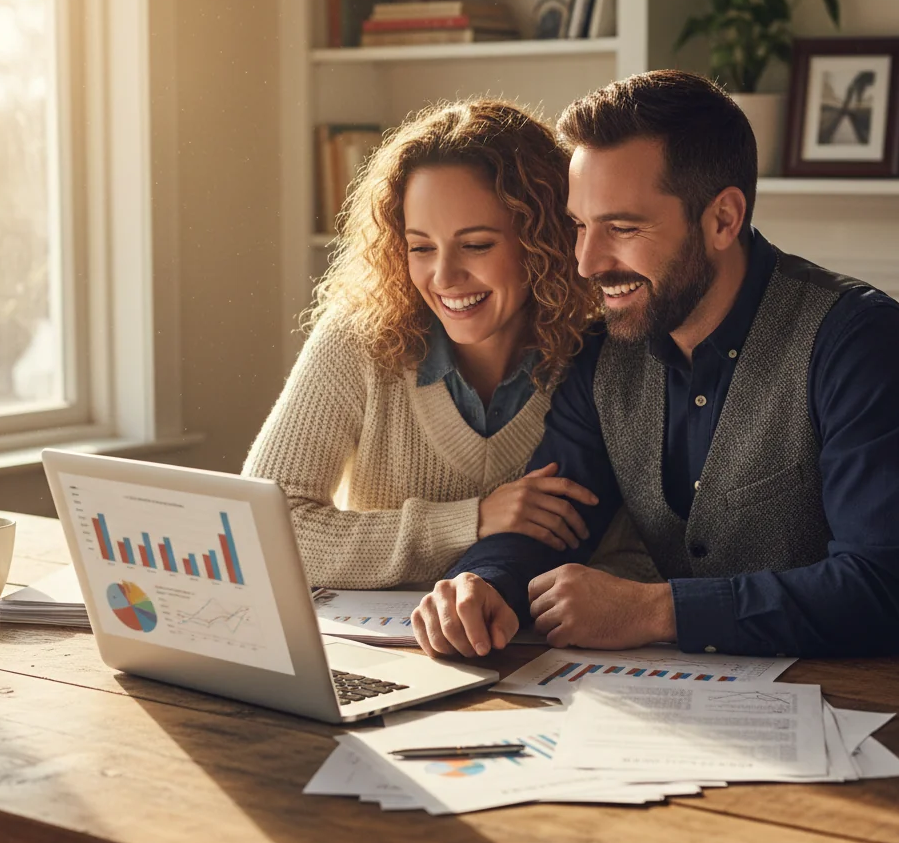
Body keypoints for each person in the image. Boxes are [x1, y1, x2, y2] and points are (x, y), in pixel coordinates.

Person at [412, 70, 899, 660]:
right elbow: (552, 516)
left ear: (723, 219)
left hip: (869, 710)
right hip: (694, 710)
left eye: (622, 227)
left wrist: (657, 610)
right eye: (579, 226)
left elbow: (891, 591)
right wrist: (482, 583)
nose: (588, 262)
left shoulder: (859, 341)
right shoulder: (603, 350)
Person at [243, 99, 619, 589]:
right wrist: (473, 521)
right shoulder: (358, 340)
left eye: (477, 244)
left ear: (542, 241)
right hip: (381, 655)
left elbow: (628, 555)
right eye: (420, 247)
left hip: (541, 651)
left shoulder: (603, 356)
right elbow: (262, 531)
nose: (444, 277)